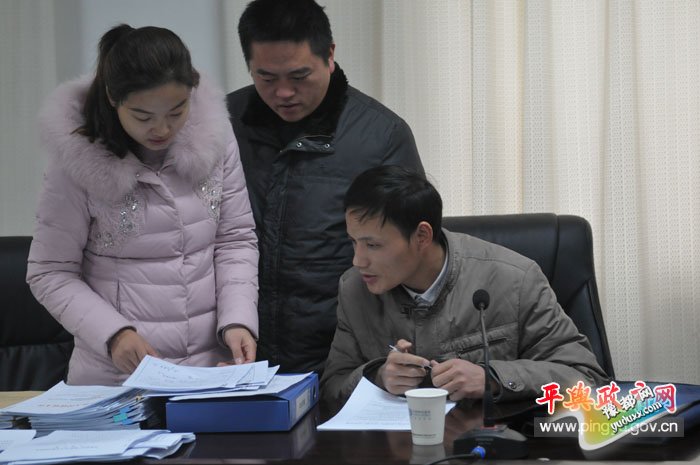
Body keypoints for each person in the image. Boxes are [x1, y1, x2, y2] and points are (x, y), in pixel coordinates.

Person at [26, 24, 259, 386]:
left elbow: (235, 240)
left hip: (207, 374)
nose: (162, 129)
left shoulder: (215, 136)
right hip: (114, 379)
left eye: (176, 111)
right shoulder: (76, 159)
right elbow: (49, 272)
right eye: (143, 116)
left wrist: (238, 320)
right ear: (113, 98)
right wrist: (114, 335)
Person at [227, 0, 424, 374]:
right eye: (266, 78)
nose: (283, 92)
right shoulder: (223, 124)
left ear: (329, 55)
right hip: (239, 354)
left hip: (345, 356)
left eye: (299, 76)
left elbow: (409, 254)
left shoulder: (382, 136)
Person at [321, 165, 609, 410]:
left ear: (422, 236)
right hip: (397, 447)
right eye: (353, 242)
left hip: (494, 444)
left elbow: (586, 377)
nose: (358, 260)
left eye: (373, 245)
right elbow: (331, 388)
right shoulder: (355, 289)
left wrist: (492, 378)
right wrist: (378, 376)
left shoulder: (514, 279)